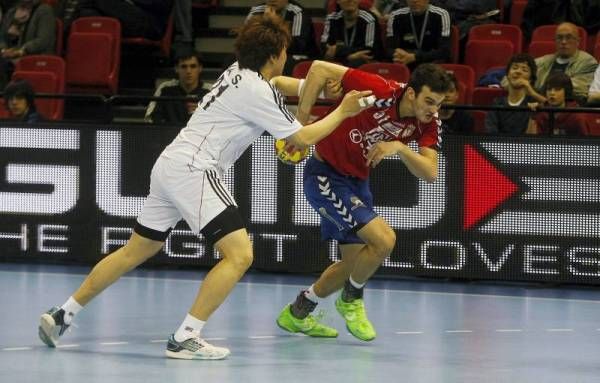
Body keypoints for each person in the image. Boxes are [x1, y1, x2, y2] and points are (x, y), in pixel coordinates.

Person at [38, 14, 372, 360]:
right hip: (195, 170)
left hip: (170, 165)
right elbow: (301, 137)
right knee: (240, 254)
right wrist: (343, 110)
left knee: (134, 251)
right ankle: (186, 336)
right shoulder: (257, 89)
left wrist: (310, 88)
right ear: (274, 55)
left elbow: (281, 85)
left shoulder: (237, 73)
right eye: (284, 51)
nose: (286, 57)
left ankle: (63, 314)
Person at [276, 61, 452, 341]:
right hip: (325, 176)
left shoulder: (428, 125)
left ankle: (297, 313)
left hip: (358, 183)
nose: (433, 110)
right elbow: (319, 69)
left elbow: (430, 173)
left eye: (439, 104)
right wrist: (301, 126)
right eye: (429, 101)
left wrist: (401, 149)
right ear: (410, 94)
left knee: (355, 263)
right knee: (384, 240)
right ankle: (350, 299)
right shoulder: (379, 91)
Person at [247, 0, 318, 75]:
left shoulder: (297, 12)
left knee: (282, 62)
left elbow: (297, 46)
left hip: (297, 56)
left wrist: (275, 23)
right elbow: (244, 41)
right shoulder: (256, 11)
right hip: (267, 54)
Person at [534, 22, 598, 103]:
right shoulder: (542, 62)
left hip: (570, 109)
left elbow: (579, 91)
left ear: (578, 41)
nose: (564, 42)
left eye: (569, 37)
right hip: (540, 107)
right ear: (555, 41)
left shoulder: (588, 62)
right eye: (559, 38)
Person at [486, 53, 545, 134]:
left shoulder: (535, 104)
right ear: (507, 75)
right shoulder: (497, 103)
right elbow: (491, 133)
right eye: (515, 68)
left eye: (524, 70)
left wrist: (532, 92)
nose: (518, 72)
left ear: (530, 79)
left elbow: (555, 106)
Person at [0, 0, 56, 87]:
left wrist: (21, 51)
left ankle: (5, 96)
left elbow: (43, 40)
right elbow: (2, 37)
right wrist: (4, 50)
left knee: (2, 64)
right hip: (9, 55)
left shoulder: (44, 11)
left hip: (34, 57)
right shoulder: (11, 12)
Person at [145, 50, 209, 126]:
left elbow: (219, 123)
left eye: (193, 66)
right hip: (168, 135)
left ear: (200, 68)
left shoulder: (211, 91)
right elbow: (150, 119)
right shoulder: (165, 89)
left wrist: (203, 113)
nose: (188, 71)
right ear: (176, 68)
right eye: (184, 66)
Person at [386, 0, 451, 69]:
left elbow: (444, 51)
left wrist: (415, 57)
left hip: (431, 66)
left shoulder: (441, 14)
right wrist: (397, 54)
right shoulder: (396, 16)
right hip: (404, 64)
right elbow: (389, 50)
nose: (415, 1)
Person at [321, 0, 383, 68]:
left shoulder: (369, 19)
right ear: (338, 1)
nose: (349, 0)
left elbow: (369, 51)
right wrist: (350, 57)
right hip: (339, 66)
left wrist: (339, 49)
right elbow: (324, 48)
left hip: (362, 66)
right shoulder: (331, 19)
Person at [79, 0, 173, 39]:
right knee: (87, 13)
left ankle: (66, 34)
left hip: (149, 22)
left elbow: (163, 5)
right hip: (124, 16)